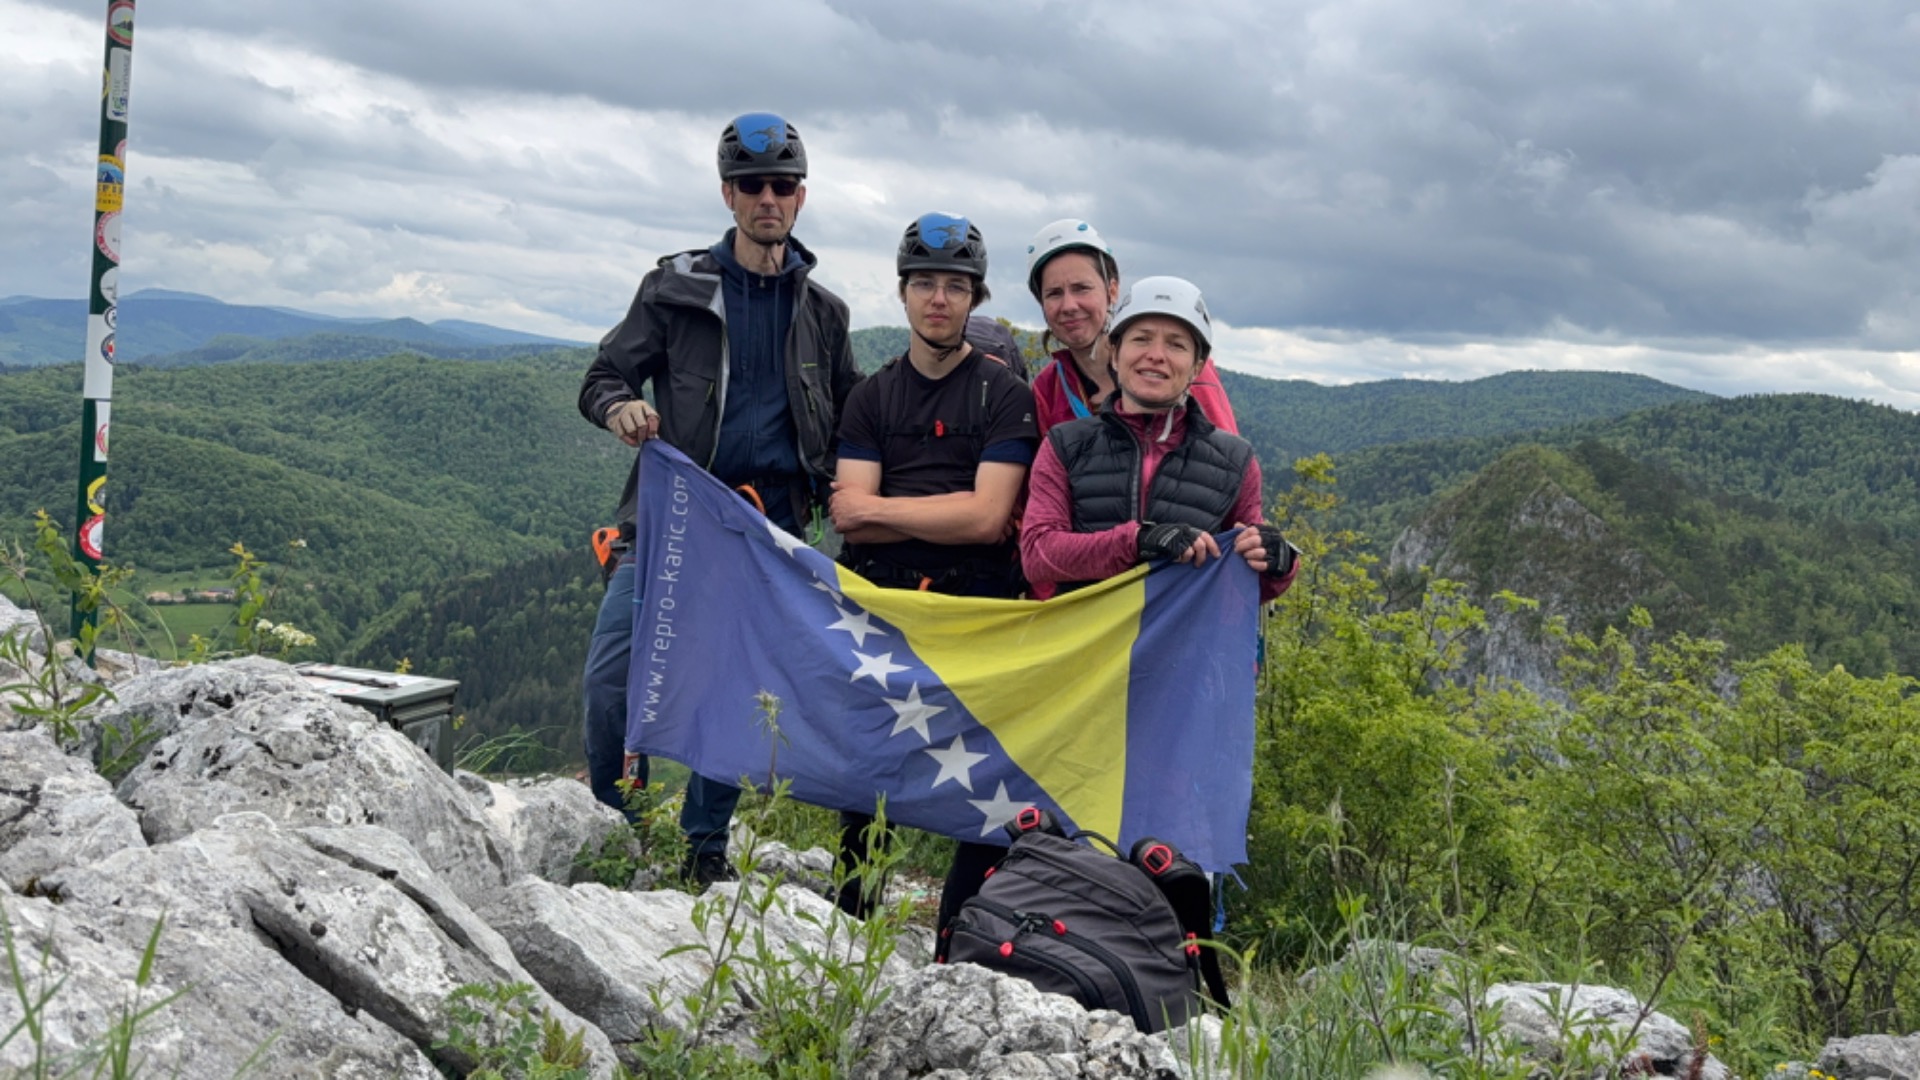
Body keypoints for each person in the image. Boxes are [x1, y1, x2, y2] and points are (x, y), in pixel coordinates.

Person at [578, 112, 862, 886]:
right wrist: (620, 410)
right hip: (670, 521)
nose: (766, 198)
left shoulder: (824, 314)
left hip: (769, 533)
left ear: (800, 197)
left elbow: (849, 423)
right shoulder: (675, 290)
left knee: (736, 697)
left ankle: (702, 852)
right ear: (727, 194)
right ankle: (618, 827)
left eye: (781, 185)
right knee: (611, 679)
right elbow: (601, 377)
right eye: (750, 185)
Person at [828, 212, 1038, 925]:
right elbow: (845, 515)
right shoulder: (872, 395)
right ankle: (853, 912)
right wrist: (937, 511)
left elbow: (986, 520)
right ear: (903, 293)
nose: (939, 298)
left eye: (955, 285)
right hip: (881, 602)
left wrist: (884, 509)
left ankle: (963, 926)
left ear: (975, 298)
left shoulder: (1004, 395)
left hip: (974, 605)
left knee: (973, 770)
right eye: (925, 284)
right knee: (870, 767)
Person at [1020, 275, 1297, 603]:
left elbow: (1249, 584)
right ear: (1114, 354)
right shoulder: (1065, 445)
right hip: (1092, 651)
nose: (1156, 355)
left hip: (1186, 650)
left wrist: (1278, 564)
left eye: (1176, 344)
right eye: (1141, 339)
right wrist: (1137, 542)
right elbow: (1038, 556)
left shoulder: (1235, 460)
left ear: (1196, 368)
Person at [1024, 219, 1239, 436]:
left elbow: (1225, 459)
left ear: (1113, 290)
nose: (1069, 305)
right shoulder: (1049, 389)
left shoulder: (1178, 367)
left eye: (1082, 288)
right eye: (1054, 293)